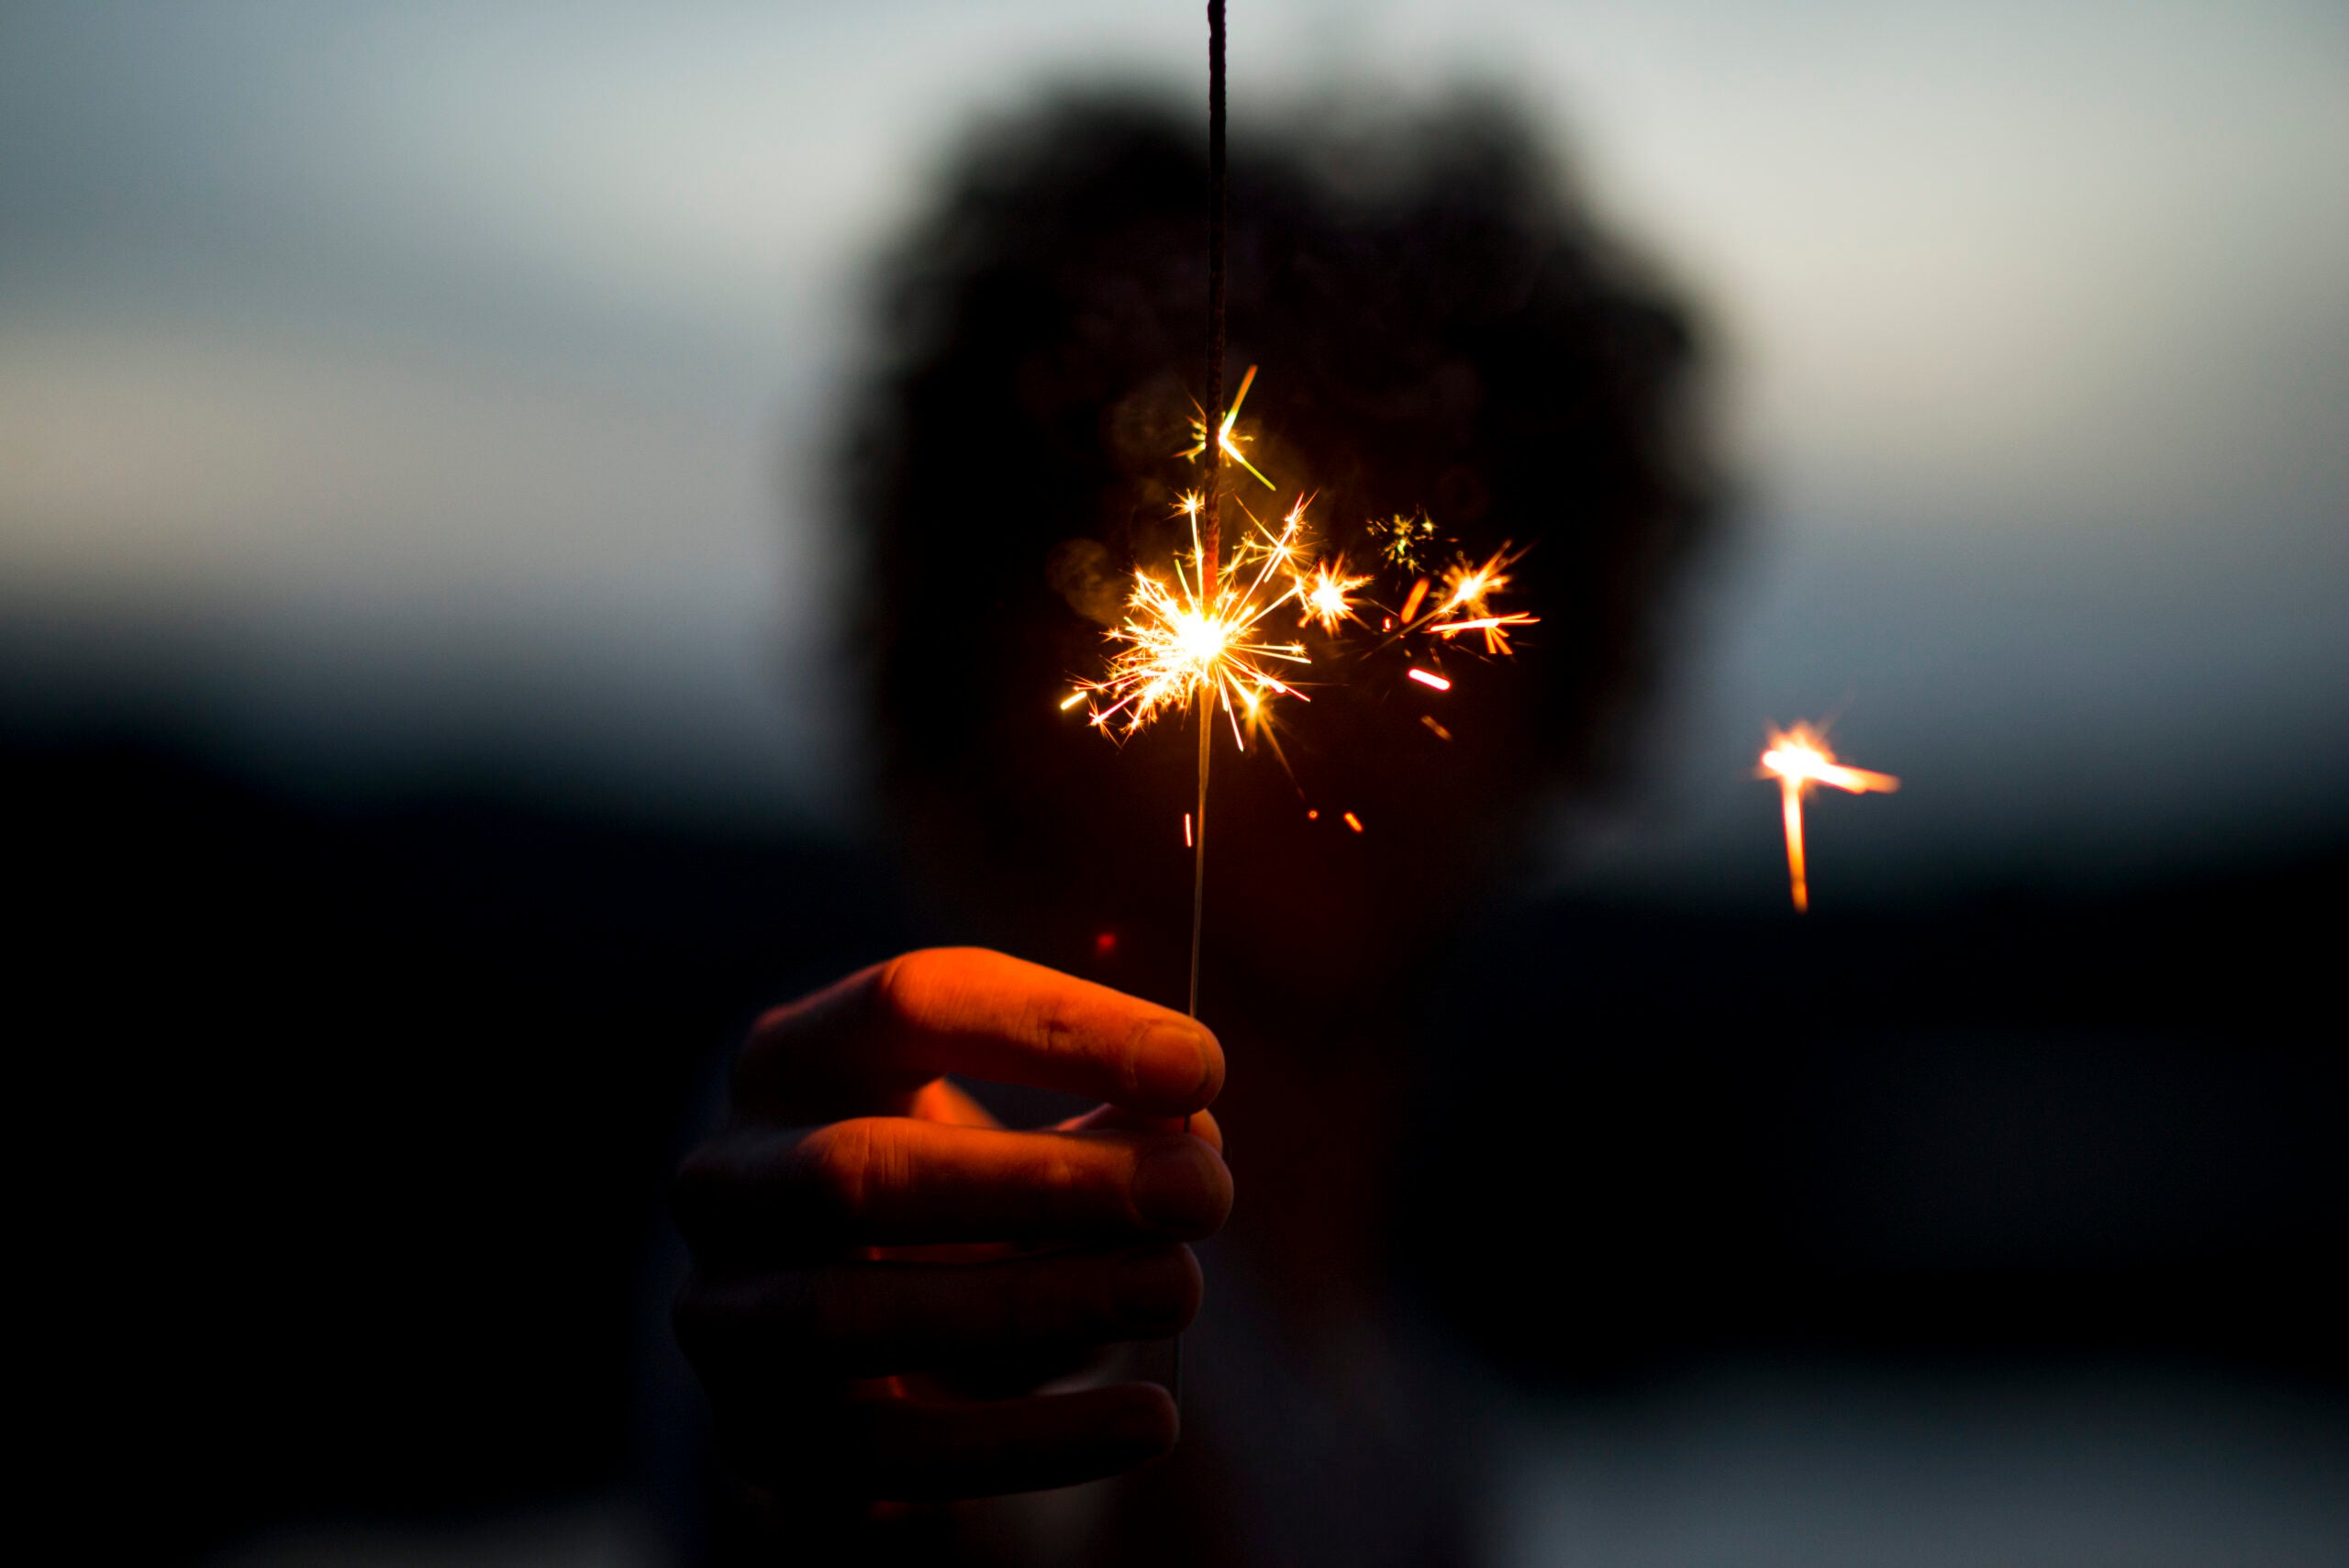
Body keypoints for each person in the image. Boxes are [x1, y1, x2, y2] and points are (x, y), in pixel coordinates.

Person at [671, 92, 1714, 1564]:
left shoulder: (1408, 1388)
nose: (1330, 676)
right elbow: (938, 1470)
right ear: (1005, 650)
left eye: (1414, 545)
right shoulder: (907, 1141)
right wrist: (905, 1426)